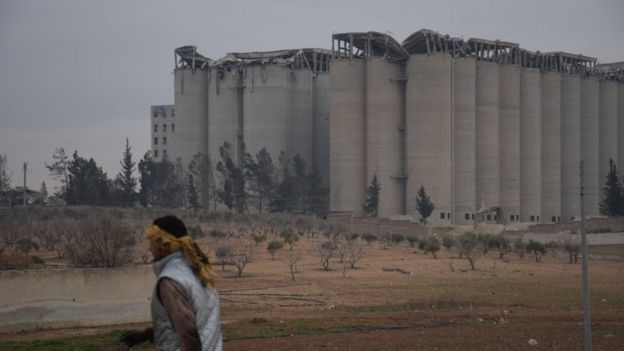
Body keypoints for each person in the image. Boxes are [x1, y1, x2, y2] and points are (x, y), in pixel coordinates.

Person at [120, 215, 222, 351]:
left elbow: (188, 332)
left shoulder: (171, 280)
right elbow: (196, 322)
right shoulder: (200, 271)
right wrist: (146, 335)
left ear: (164, 244)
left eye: (152, 242)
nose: (149, 248)